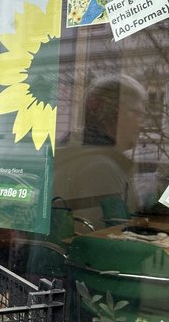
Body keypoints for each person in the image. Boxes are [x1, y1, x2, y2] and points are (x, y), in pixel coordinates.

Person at [53, 74, 146, 229]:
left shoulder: (84, 156)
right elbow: (106, 238)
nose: (140, 124)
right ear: (111, 115)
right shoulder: (100, 168)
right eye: (135, 113)